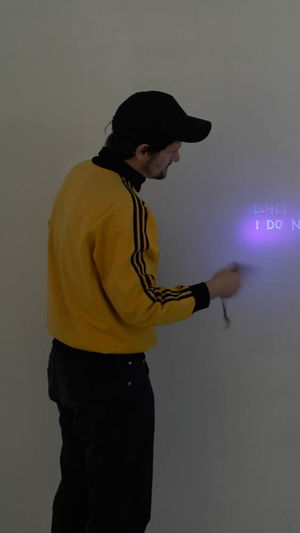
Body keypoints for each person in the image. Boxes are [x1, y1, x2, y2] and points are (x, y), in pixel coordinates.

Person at [46, 91, 242, 532]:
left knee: (77, 497)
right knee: (120, 513)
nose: (177, 159)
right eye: (172, 150)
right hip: (110, 378)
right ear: (142, 151)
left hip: (67, 365)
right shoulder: (126, 207)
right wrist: (212, 289)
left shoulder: (80, 177)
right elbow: (142, 305)